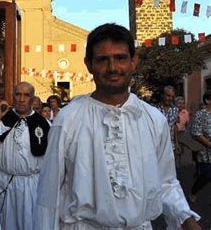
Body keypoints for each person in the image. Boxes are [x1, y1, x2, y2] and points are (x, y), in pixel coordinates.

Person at [35, 23, 200, 229]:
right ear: (89, 64)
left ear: (134, 61)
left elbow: (166, 182)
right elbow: (49, 194)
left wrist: (187, 220)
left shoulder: (153, 119)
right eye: (103, 60)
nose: (113, 68)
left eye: (120, 58)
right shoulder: (68, 119)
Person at [0, 82, 50, 230]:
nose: (21, 99)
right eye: (18, 94)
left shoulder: (43, 124)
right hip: (3, 183)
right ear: (12, 97)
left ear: (33, 99)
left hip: (31, 186)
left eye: (26, 95)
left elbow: (51, 159)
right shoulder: (1, 119)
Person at [189, 92, 211, 204]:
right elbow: (196, 133)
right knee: (207, 175)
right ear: (207, 100)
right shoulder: (200, 114)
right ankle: (193, 191)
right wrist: (208, 144)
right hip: (205, 151)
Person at [157, 86, 181, 154]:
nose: (170, 99)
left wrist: (177, 143)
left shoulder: (175, 110)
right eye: (168, 96)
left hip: (171, 145)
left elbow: (174, 126)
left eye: (172, 97)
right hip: (158, 145)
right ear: (162, 95)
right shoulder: (155, 109)